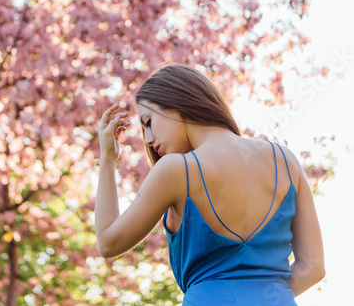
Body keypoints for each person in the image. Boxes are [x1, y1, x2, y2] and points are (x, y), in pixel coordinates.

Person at [95, 64, 325, 305]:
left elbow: (108, 242)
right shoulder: (285, 160)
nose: (149, 140)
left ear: (176, 102)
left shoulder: (175, 170)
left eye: (149, 122)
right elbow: (314, 266)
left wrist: (108, 159)